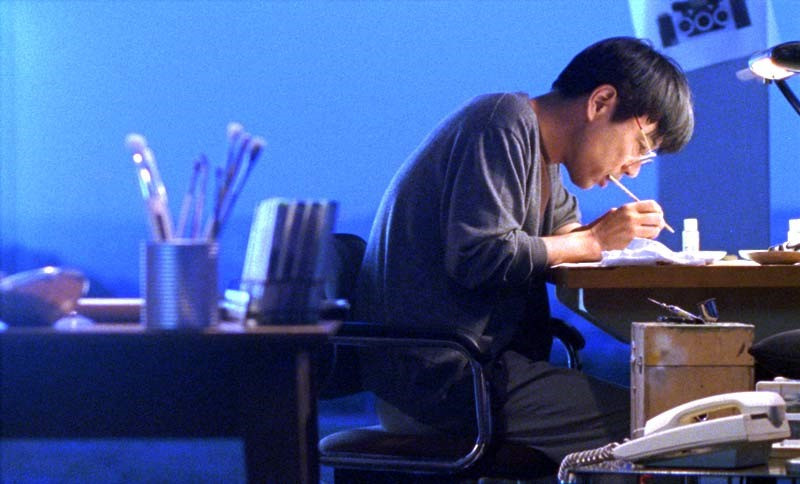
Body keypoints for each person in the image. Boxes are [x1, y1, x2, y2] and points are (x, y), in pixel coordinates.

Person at [352, 37, 694, 466]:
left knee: (661, 416)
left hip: (477, 371)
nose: (634, 169)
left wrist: (610, 237)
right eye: (641, 146)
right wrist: (594, 240)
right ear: (601, 102)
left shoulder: (545, 158)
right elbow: (480, 256)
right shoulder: (501, 123)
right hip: (445, 378)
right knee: (662, 424)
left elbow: (565, 234)